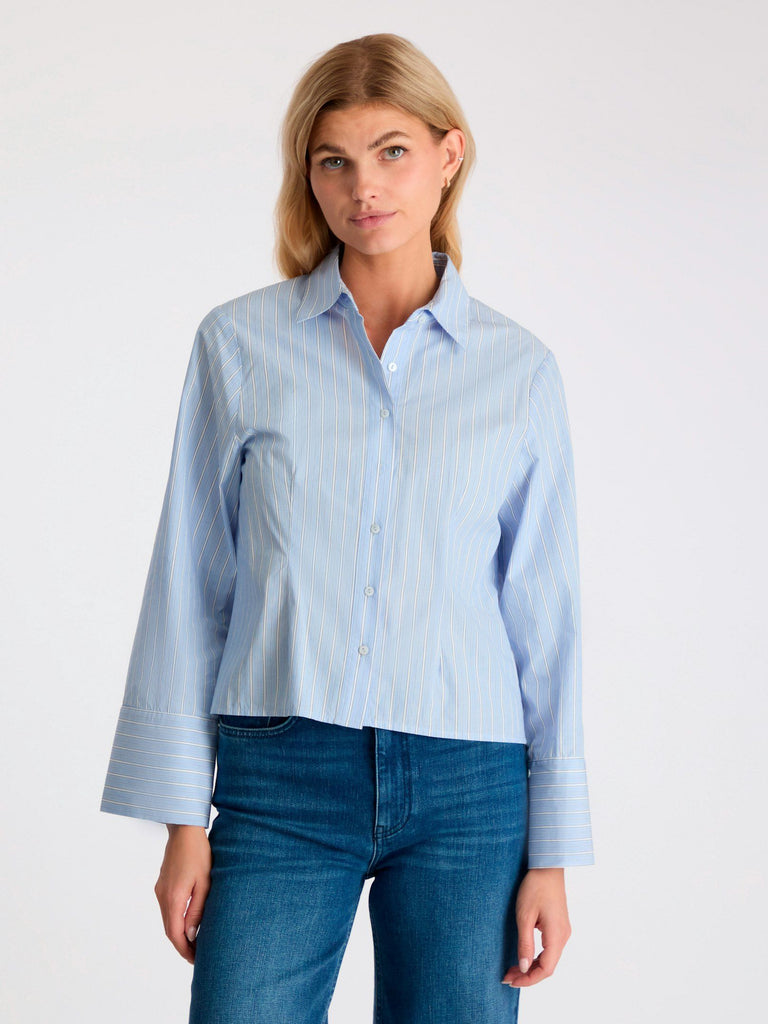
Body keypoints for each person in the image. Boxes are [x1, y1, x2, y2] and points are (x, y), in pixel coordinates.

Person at [100, 32, 595, 1023]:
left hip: (469, 786)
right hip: (280, 774)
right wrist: (183, 820)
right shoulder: (240, 344)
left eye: (392, 151)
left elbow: (545, 619)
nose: (364, 187)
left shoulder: (518, 371)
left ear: (449, 154)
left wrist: (552, 850)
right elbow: (192, 586)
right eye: (334, 160)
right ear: (308, 175)